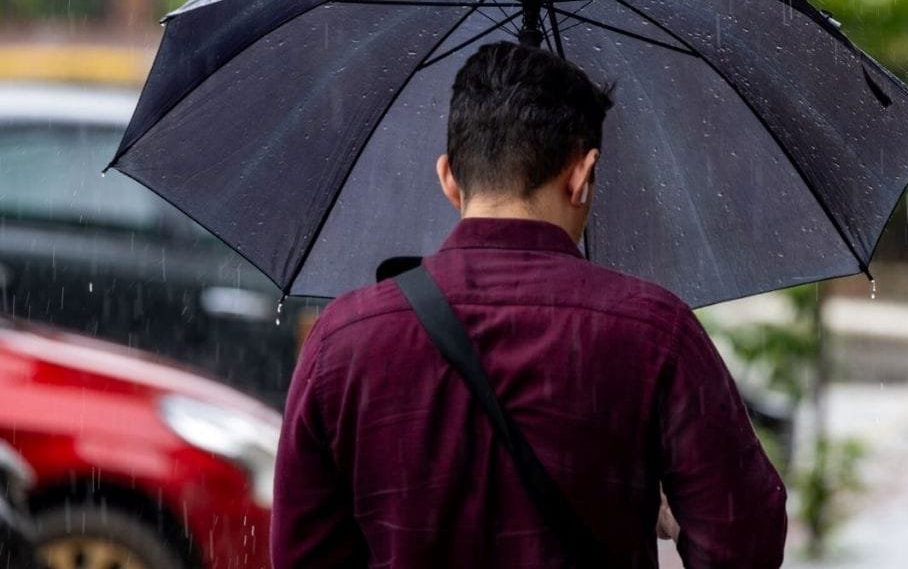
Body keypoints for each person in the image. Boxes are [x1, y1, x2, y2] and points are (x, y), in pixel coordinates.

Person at [271, 41, 788, 568]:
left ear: (449, 177)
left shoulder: (343, 341)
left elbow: (301, 555)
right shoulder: (656, 333)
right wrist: (673, 516)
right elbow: (745, 543)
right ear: (582, 175)